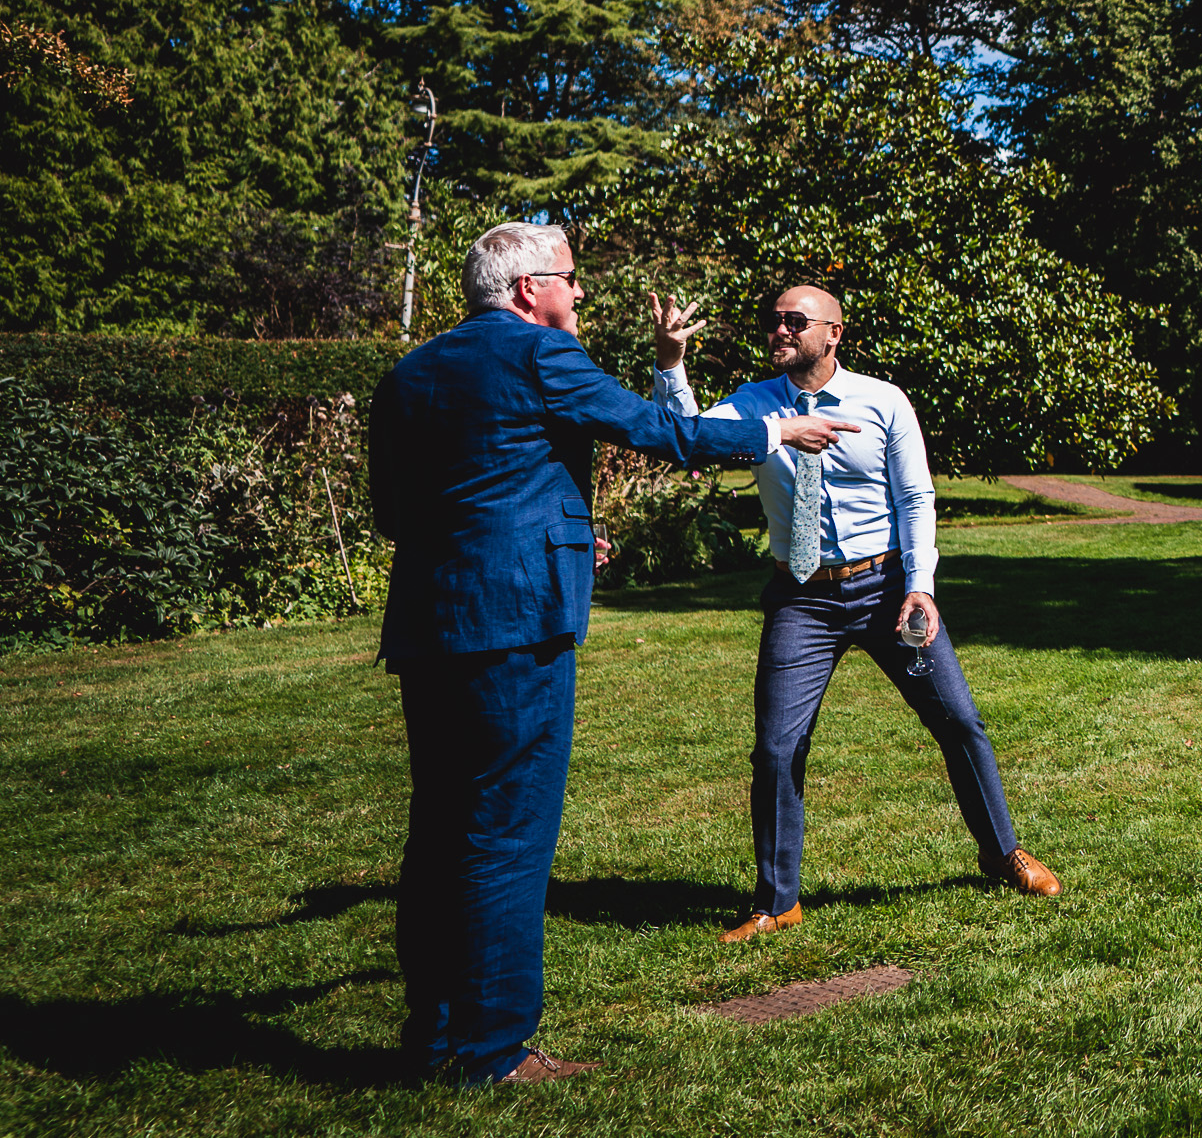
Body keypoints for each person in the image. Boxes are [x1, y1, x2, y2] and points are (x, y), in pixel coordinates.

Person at [370, 224, 850, 1085]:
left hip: (431, 628)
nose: (580, 294)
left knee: (440, 831)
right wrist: (776, 434)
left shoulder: (410, 372)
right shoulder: (538, 355)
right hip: (517, 629)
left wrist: (548, 529)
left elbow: (396, 512)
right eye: (571, 279)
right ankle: (494, 1052)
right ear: (527, 290)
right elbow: (655, 430)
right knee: (510, 837)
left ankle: (433, 1035)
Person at [649, 283, 1060, 942]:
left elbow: (916, 497)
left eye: (795, 321)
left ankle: (1002, 851)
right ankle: (777, 900)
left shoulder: (883, 401)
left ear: (832, 333)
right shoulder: (756, 404)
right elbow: (689, 443)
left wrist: (919, 586)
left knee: (958, 719)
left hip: (886, 586)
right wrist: (672, 364)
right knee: (776, 748)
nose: (780, 329)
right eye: (773, 319)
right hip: (801, 596)